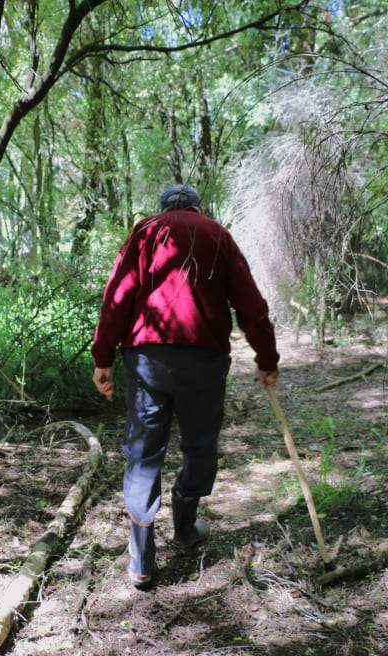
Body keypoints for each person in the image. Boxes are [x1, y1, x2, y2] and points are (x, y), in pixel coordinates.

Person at [91, 183, 280, 589]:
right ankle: (185, 526)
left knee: (143, 450)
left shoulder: (144, 233)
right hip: (203, 360)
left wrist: (102, 358)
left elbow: (117, 298)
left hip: (146, 360)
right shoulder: (218, 235)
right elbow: (251, 305)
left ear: (164, 208)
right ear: (197, 207)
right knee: (200, 441)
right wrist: (267, 359)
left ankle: (141, 560)